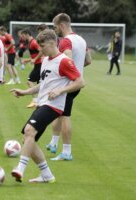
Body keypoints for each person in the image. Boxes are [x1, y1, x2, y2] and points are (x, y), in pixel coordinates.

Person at [10, 29, 85, 183]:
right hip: (42, 103)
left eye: (42, 46)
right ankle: (47, 174)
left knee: (29, 131)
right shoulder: (45, 60)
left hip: (54, 106)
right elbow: (42, 85)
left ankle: (20, 169)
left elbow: (80, 82)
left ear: (52, 43)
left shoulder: (64, 61)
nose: (40, 49)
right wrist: (24, 92)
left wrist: (60, 90)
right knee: (27, 138)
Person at [46, 13, 91, 160]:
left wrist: (67, 72)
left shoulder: (65, 41)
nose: (55, 30)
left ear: (62, 25)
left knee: (65, 116)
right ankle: (53, 143)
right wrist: (77, 70)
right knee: (59, 113)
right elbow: (88, 60)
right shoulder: (81, 39)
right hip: (75, 84)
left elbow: (68, 60)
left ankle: (66, 152)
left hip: (67, 85)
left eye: (55, 27)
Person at [21, 29, 44, 108]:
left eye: (23, 35)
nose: (22, 37)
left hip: (40, 64)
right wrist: (28, 60)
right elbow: (35, 56)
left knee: (29, 81)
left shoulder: (33, 42)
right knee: (39, 84)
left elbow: (41, 51)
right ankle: (40, 101)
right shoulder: (30, 42)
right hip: (38, 64)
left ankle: (35, 100)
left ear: (27, 34)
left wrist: (34, 59)